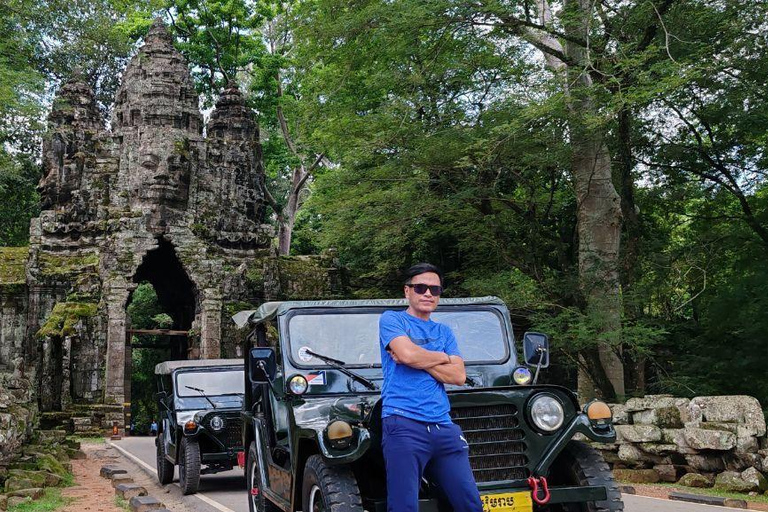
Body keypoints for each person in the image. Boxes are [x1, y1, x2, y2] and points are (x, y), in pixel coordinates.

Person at [378, 263, 482, 512]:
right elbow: (406, 354)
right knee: (404, 506)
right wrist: (442, 357)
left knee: (470, 504)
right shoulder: (392, 319)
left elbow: (458, 376)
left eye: (434, 290)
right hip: (403, 423)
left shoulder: (443, 331)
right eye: (421, 287)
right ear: (407, 291)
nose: (428, 294)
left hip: (443, 426)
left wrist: (417, 358)